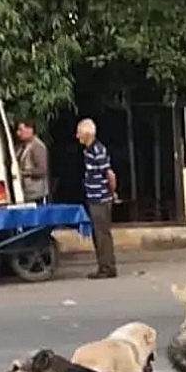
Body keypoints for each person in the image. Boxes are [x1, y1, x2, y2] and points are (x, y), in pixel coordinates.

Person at [76, 117, 117, 279]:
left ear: (87, 133)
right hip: (93, 196)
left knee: (102, 234)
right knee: (97, 233)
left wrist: (111, 192)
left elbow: (110, 174)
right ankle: (103, 265)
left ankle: (107, 267)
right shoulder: (88, 150)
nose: (77, 136)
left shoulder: (98, 150)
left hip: (101, 198)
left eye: (79, 132)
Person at [15, 119, 50, 204]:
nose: (18, 133)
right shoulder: (21, 147)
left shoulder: (37, 146)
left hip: (36, 194)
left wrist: (24, 173)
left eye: (21, 130)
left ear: (30, 129)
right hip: (25, 193)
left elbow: (42, 170)